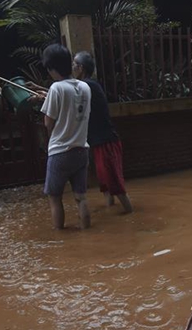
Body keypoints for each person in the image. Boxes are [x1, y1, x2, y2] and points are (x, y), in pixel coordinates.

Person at [38, 44, 92, 229]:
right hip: (82, 150)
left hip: (60, 152)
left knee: (55, 198)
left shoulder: (56, 88)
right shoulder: (85, 87)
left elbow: (48, 122)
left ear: (52, 68)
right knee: (81, 197)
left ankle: (60, 239)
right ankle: (88, 232)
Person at [73, 51, 133, 213]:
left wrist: (46, 95)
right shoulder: (87, 86)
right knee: (105, 184)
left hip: (106, 142)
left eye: (74, 65)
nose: (72, 68)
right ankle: (112, 212)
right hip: (100, 142)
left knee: (115, 185)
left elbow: (66, 97)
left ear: (80, 68)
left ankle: (130, 215)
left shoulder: (87, 86)